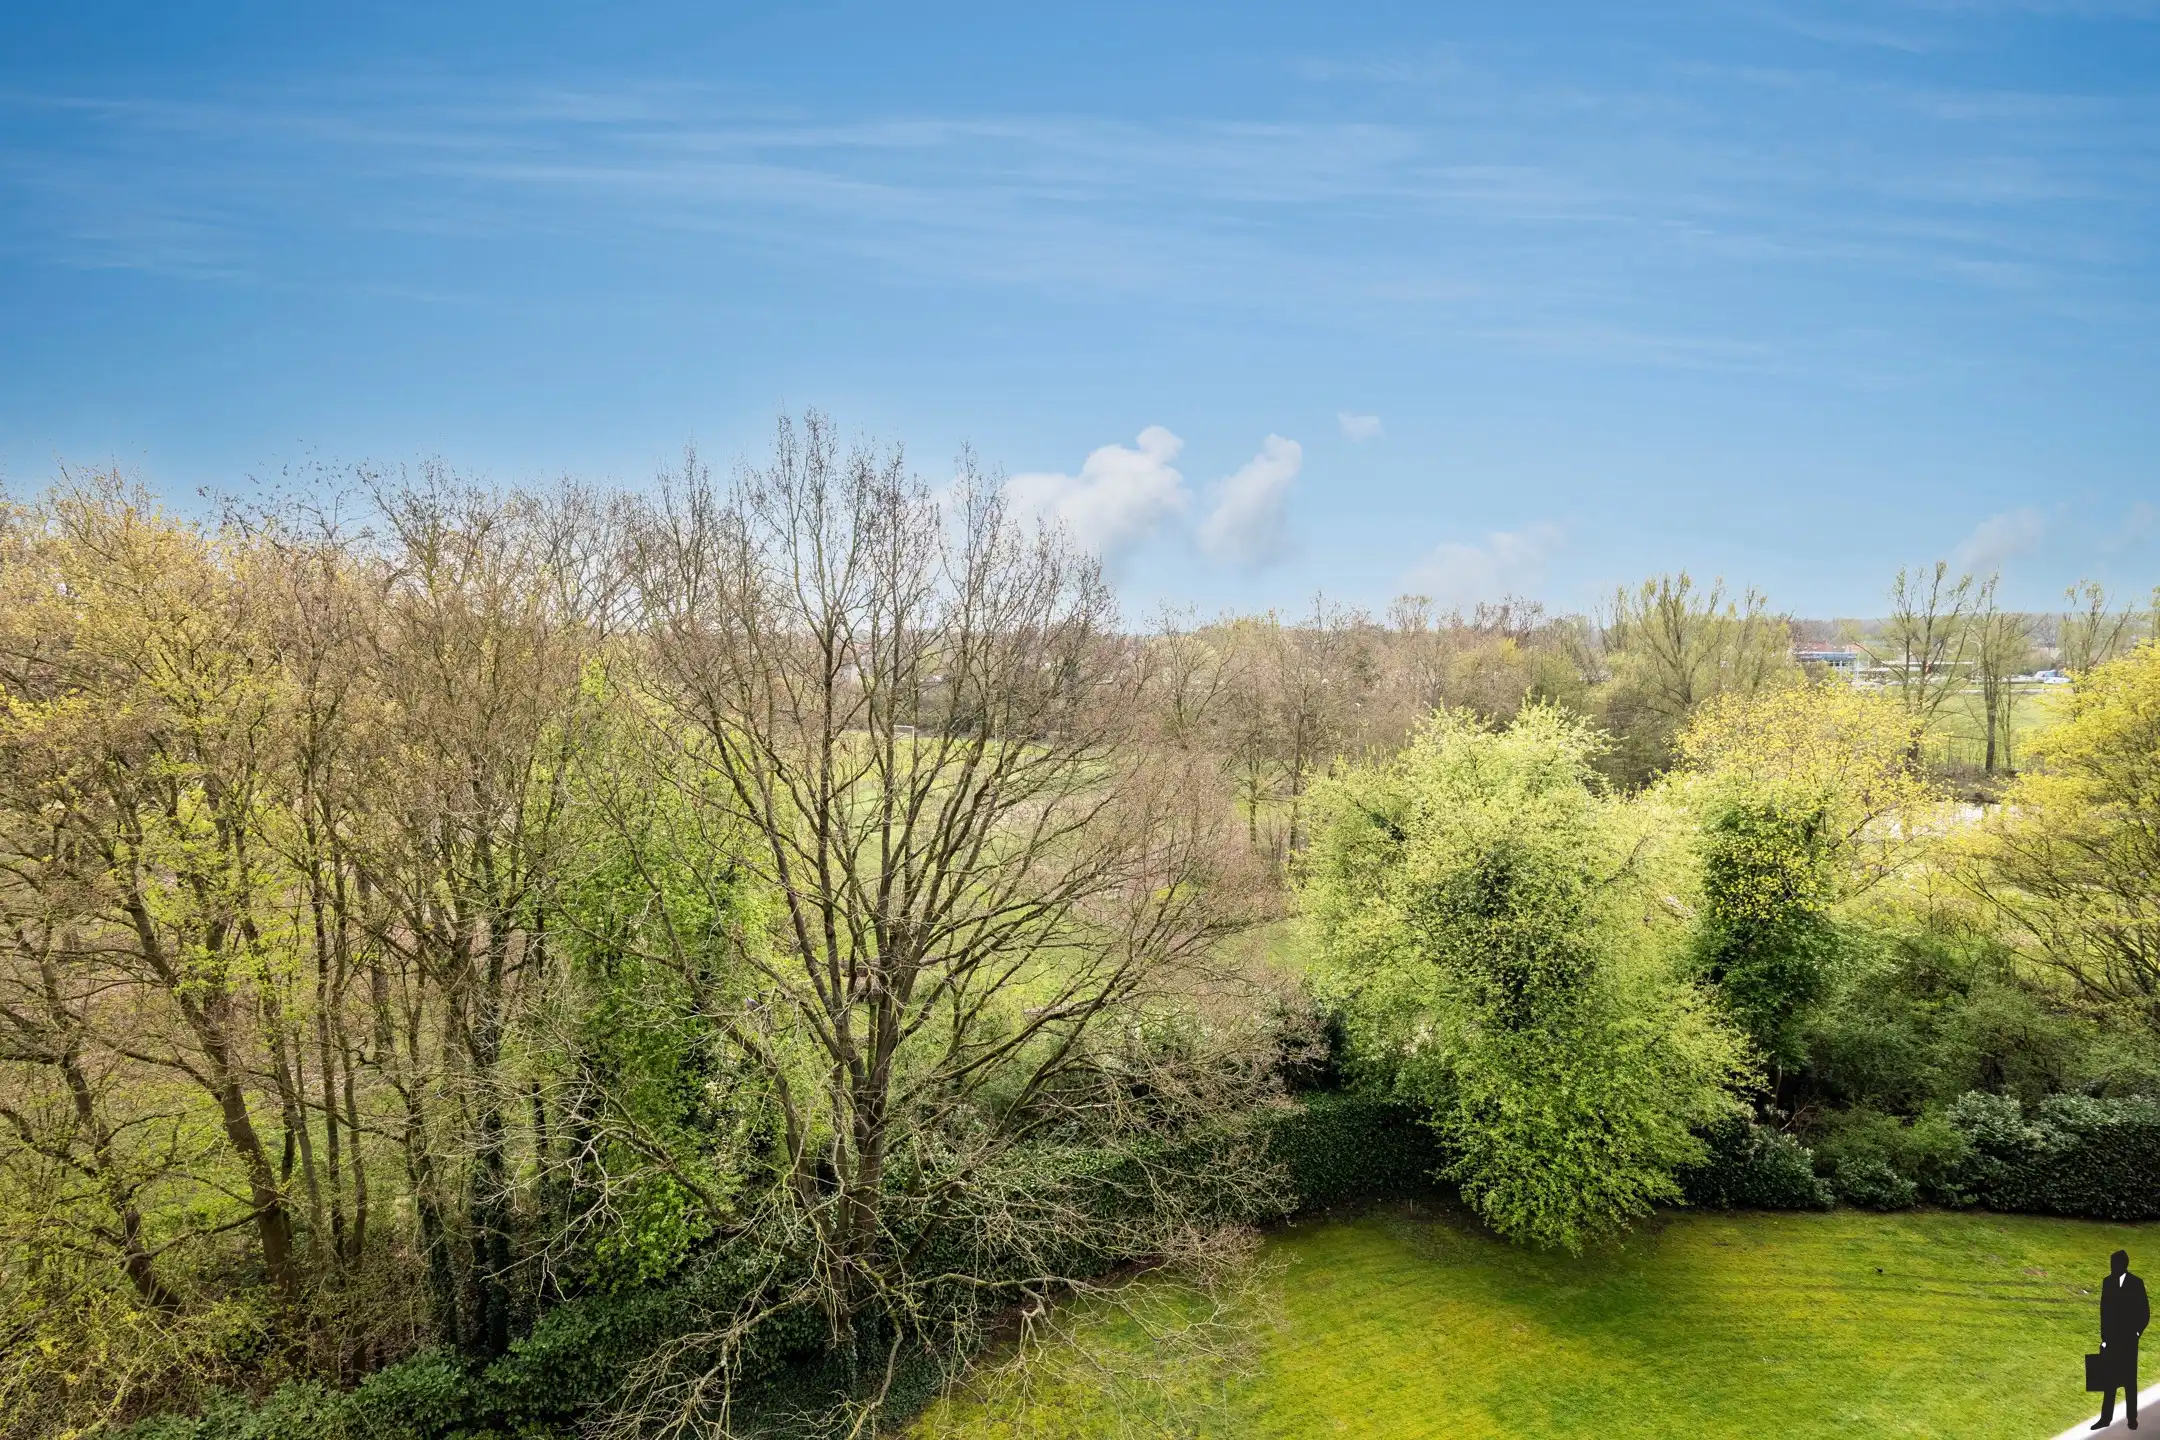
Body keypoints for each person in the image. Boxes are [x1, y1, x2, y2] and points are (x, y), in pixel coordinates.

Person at [2095, 1249, 2150, 1431]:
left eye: (2114, 1264)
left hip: (2128, 1341)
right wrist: (2104, 1338)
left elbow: (2144, 1312)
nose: (2112, 1268)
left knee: (2129, 1381)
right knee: (2109, 1381)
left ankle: (2131, 1419)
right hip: (2112, 1340)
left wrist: (2136, 1333)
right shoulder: (2107, 1282)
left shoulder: (2136, 1283)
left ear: (2122, 1265)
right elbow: (2104, 1312)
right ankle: (2105, 1418)